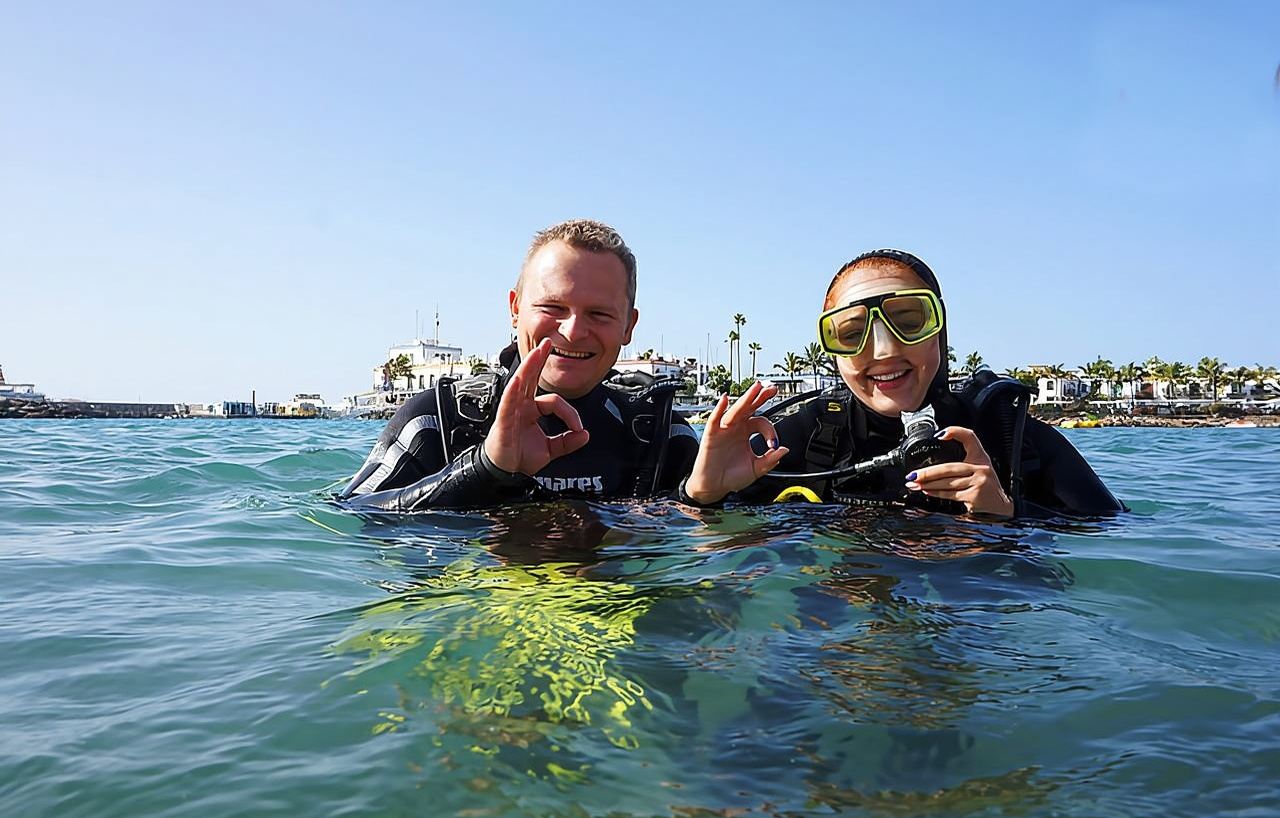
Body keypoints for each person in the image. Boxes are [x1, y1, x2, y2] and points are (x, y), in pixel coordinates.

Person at [681, 249, 1125, 518]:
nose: (884, 350)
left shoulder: (1011, 436)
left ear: (940, 330)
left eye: (909, 321)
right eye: (852, 334)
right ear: (832, 350)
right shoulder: (801, 438)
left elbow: (1118, 535)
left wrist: (1008, 513)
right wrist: (701, 496)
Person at [342, 219, 698, 510]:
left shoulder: (660, 435)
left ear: (628, 327)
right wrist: (485, 467)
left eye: (599, 314)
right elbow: (356, 517)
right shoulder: (437, 421)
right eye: (552, 308)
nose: (573, 331)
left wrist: (707, 498)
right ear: (515, 309)